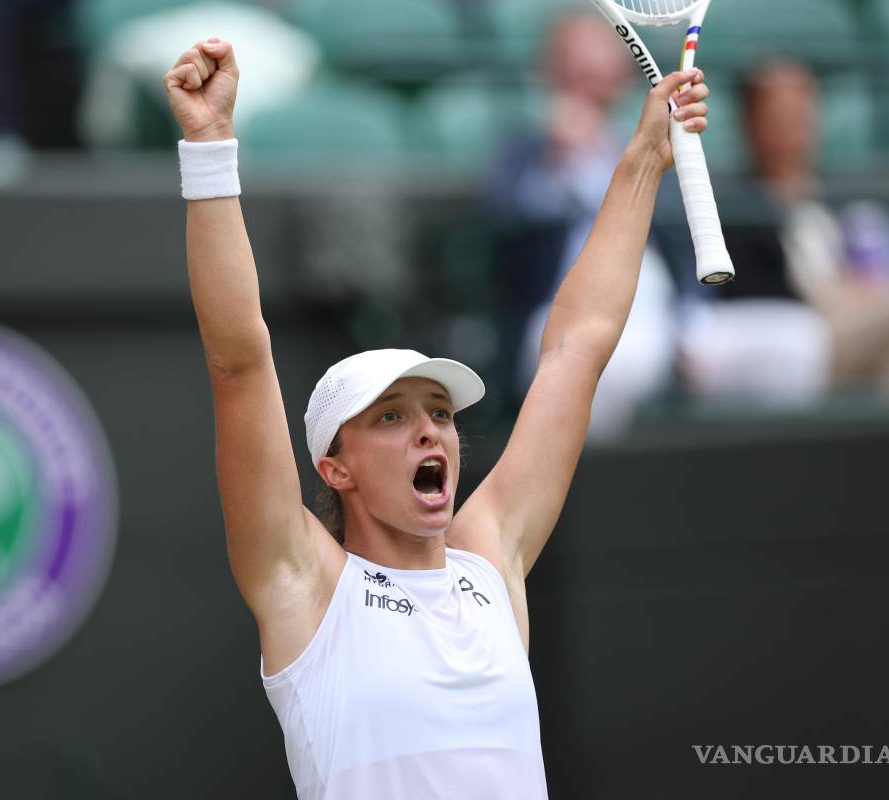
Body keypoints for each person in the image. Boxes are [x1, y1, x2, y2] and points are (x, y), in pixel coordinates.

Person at [163, 37, 710, 799]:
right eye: (390, 416)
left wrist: (646, 155)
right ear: (335, 467)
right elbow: (239, 362)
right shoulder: (305, 586)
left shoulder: (489, 565)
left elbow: (575, 350)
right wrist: (210, 148)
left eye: (440, 413)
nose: (430, 432)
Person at [683, 58, 889, 401]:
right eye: (779, 115)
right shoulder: (734, 208)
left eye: (801, 112)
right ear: (750, 121)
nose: (792, 127)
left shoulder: (834, 198)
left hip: (854, 319)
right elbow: (753, 300)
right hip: (798, 338)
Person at [488, 12, 685, 439]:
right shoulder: (525, 152)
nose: (590, 75)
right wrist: (557, 165)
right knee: (595, 364)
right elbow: (503, 228)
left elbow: (678, 242)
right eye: (576, 63)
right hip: (556, 309)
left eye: (600, 61)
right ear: (552, 71)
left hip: (649, 305)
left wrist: (692, 319)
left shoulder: (651, 143)